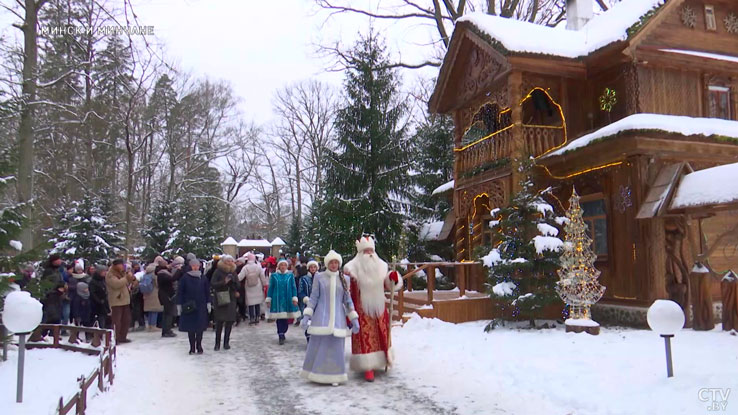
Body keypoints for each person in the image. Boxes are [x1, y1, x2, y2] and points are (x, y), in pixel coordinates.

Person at [343, 235, 402, 382]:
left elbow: (387, 285)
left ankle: (383, 360)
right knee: (365, 338)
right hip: (362, 309)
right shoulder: (352, 269)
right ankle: (367, 366)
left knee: (381, 334)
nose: (369, 254)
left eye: (371, 251)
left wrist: (392, 279)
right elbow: (346, 290)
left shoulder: (381, 267)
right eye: (366, 251)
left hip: (379, 308)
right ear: (360, 253)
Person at [300, 250, 359, 385]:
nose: (333, 265)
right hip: (321, 318)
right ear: (327, 264)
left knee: (336, 348)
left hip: (338, 319)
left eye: (336, 262)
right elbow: (314, 297)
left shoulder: (345, 279)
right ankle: (315, 373)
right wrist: (306, 316)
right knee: (320, 346)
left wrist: (354, 319)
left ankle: (335, 376)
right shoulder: (319, 277)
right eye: (331, 262)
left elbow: (347, 300)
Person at [176, 259, 211, 355]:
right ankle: (192, 347)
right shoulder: (185, 278)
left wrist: (208, 302)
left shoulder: (203, 278)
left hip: (201, 305)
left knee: (200, 328)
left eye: (197, 265)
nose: (195, 267)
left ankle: (199, 345)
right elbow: (180, 292)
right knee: (191, 328)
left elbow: (207, 291)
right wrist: (179, 305)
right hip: (189, 306)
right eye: (193, 266)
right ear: (190, 266)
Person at [265, 258, 300, 345]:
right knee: (279, 318)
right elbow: (271, 288)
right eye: (281, 265)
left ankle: (283, 331)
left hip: (288, 298)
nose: (283, 267)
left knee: (286, 318)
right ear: (278, 266)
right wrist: (269, 299)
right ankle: (280, 334)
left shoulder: (290, 275)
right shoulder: (274, 276)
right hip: (277, 299)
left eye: (284, 265)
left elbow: (293, 287)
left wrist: (294, 298)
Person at [210, 255, 239, 351]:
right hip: (221, 297)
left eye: (231, 261)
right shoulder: (218, 271)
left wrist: (233, 283)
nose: (230, 262)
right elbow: (213, 284)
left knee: (229, 321)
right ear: (224, 262)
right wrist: (224, 282)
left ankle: (226, 342)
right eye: (228, 261)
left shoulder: (233, 272)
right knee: (219, 321)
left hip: (231, 298)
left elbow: (238, 285)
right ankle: (217, 343)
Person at [107, 259, 137, 343]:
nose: (122, 266)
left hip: (125, 300)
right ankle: (115, 338)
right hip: (116, 300)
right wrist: (126, 278)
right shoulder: (110, 274)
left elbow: (130, 282)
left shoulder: (122, 273)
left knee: (126, 319)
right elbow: (116, 284)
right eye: (120, 264)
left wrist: (132, 278)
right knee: (117, 321)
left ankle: (123, 337)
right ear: (115, 265)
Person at [238, 252, 267, 325]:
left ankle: (252, 318)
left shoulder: (245, 267)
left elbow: (240, 277)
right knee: (257, 303)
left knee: (251, 303)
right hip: (258, 286)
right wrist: (264, 284)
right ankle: (257, 316)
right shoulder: (258, 267)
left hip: (249, 286)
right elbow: (262, 277)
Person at [156, 256, 180, 337]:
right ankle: (167, 330)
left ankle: (166, 329)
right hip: (166, 295)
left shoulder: (161, 272)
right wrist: (179, 271)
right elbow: (172, 279)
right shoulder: (162, 274)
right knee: (169, 313)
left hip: (165, 294)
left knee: (167, 312)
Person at [297, 259, 318, 338]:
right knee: (308, 320)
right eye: (311, 267)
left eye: (314, 267)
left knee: (317, 321)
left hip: (318, 303)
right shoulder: (303, 279)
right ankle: (308, 336)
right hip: (307, 304)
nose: (313, 269)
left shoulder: (320, 278)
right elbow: (300, 291)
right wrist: (305, 298)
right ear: (308, 268)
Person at [141, 263, 163, 332]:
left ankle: (150, 325)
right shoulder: (154, 276)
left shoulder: (145, 276)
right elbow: (157, 284)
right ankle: (153, 325)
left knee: (150, 311)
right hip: (154, 294)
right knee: (154, 311)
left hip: (146, 295)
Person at [89, 265, 111, 329]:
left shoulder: (103, 280)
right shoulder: (93, 282)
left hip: (104, 303)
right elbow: (93, 293)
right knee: (97, 319)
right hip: (96, 304)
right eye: (103, 271)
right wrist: (99, 301)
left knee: (104, 318)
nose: (105, 273)